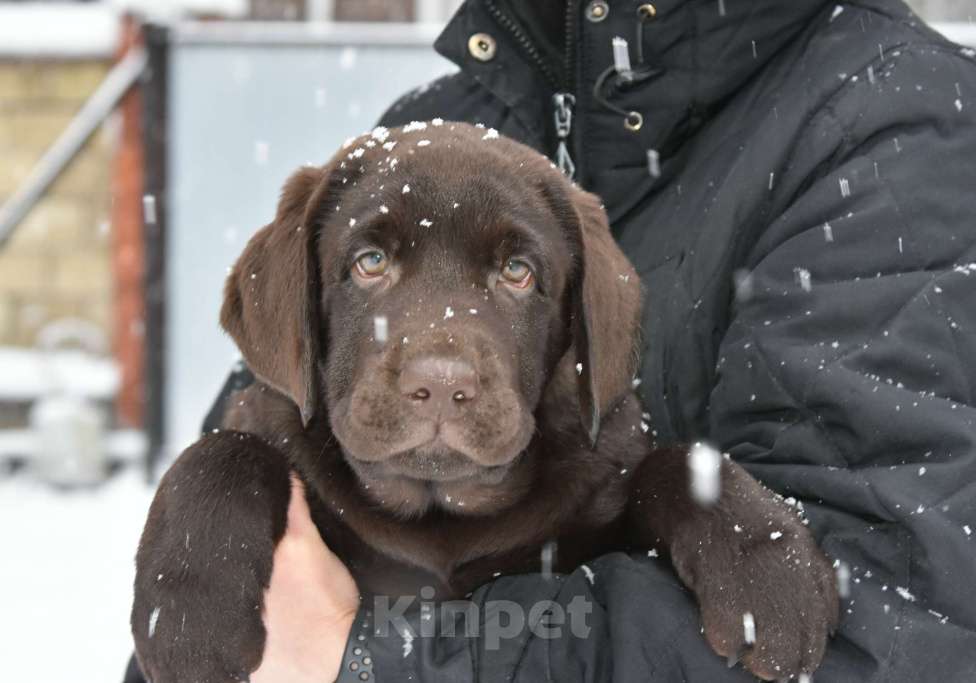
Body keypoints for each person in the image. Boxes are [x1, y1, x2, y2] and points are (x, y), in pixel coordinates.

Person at [125, 0, 976, 681]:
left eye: (515, 270)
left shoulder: (893, 121)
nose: (438, 362)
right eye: (374, 260)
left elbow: (883, 633)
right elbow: (196, 633)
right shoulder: (442, 122)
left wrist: (366, 658)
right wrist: (217, 485)